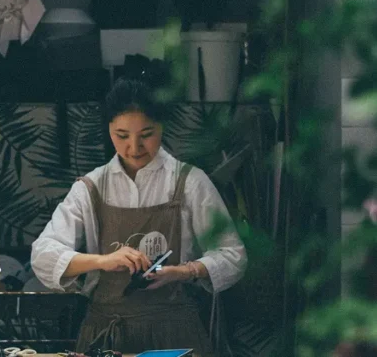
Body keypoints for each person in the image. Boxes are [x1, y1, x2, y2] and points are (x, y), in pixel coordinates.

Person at [30, 77, 247, 356]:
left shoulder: (190, 182)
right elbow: (43, 254)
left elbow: (233, 255)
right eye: (122, 136)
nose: (134, 147)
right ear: (109, 129)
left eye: (146, 134)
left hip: (175, 334)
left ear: (162, 127)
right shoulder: (92, 187)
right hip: (105, 336)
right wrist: (103, 261)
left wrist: (182, 272)